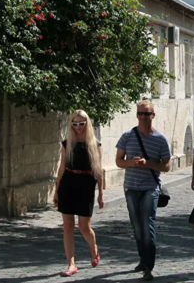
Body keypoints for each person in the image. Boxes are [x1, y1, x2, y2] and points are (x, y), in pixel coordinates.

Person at [116, 100, 172, 281]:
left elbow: (167, 166)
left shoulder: (160, 139)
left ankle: (148, 266)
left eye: (146, 113)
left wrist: (147, 163)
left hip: (150, 187)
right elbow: (118, 161)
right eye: (140, 113)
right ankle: (143, 259)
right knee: (137, 228)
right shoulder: (127, 136)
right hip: (131, 188)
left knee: (147, 226)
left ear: (153, 115)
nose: (142, 117)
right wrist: (132, 163)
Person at [53, 110, 105, 277]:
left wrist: (100, 194)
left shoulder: (95, 144)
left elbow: (98, 170)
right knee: (68, 226)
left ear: (87, 123)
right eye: (74, 124)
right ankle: (71, 264)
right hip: (68, 183)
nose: (78, 127)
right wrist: (56, 190)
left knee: (84, 227)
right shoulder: (66, 143)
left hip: (86, 185)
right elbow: (61, 167)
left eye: (81, 123)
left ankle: (93, 247)